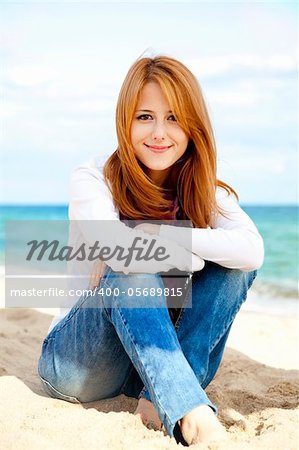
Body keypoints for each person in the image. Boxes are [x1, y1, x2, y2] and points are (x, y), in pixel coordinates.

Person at [38, 55, 264, 446]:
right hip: (80, 365)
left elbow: (252, 252)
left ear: (193, 126)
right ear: (125, 120)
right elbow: (124, 255)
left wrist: (158, 235)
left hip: (153, 366)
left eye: (174, 118)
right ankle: (192, 415)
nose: (159, 132)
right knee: (133, 273)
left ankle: (156, 398)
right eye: (145, 116)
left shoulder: (203, 189)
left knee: (234, 268)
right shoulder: (94, 177)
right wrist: (187, 253)